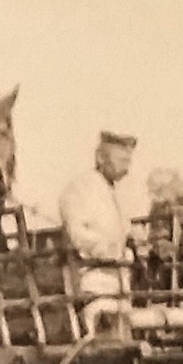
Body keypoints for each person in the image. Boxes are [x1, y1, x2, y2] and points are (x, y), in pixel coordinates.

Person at [59, 130, 146, 333]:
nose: (126, 165)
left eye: (128, 160)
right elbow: (78, 237)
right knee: (107, 335)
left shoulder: (116, 192)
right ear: (100, 157)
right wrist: (117, 249)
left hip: (121, 288)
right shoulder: (79, 189)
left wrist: (138, 242)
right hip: (93, 286)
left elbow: (124, 232)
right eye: (121, 159)